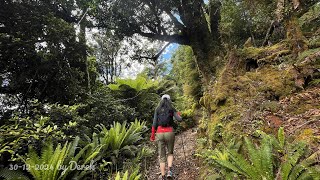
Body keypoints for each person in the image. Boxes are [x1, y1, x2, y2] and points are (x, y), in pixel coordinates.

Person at [150, 94, 182, 180]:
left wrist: (152, 135)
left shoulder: (157, 109)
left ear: (161, 100)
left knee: (162, 156)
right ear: (169, 100)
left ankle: (163, 176)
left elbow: (154, 123)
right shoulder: (171, 108)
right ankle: (169, 171)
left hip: (159, 133)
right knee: (170, 153)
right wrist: (178, 114)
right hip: (169, 132)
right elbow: (179, 119)